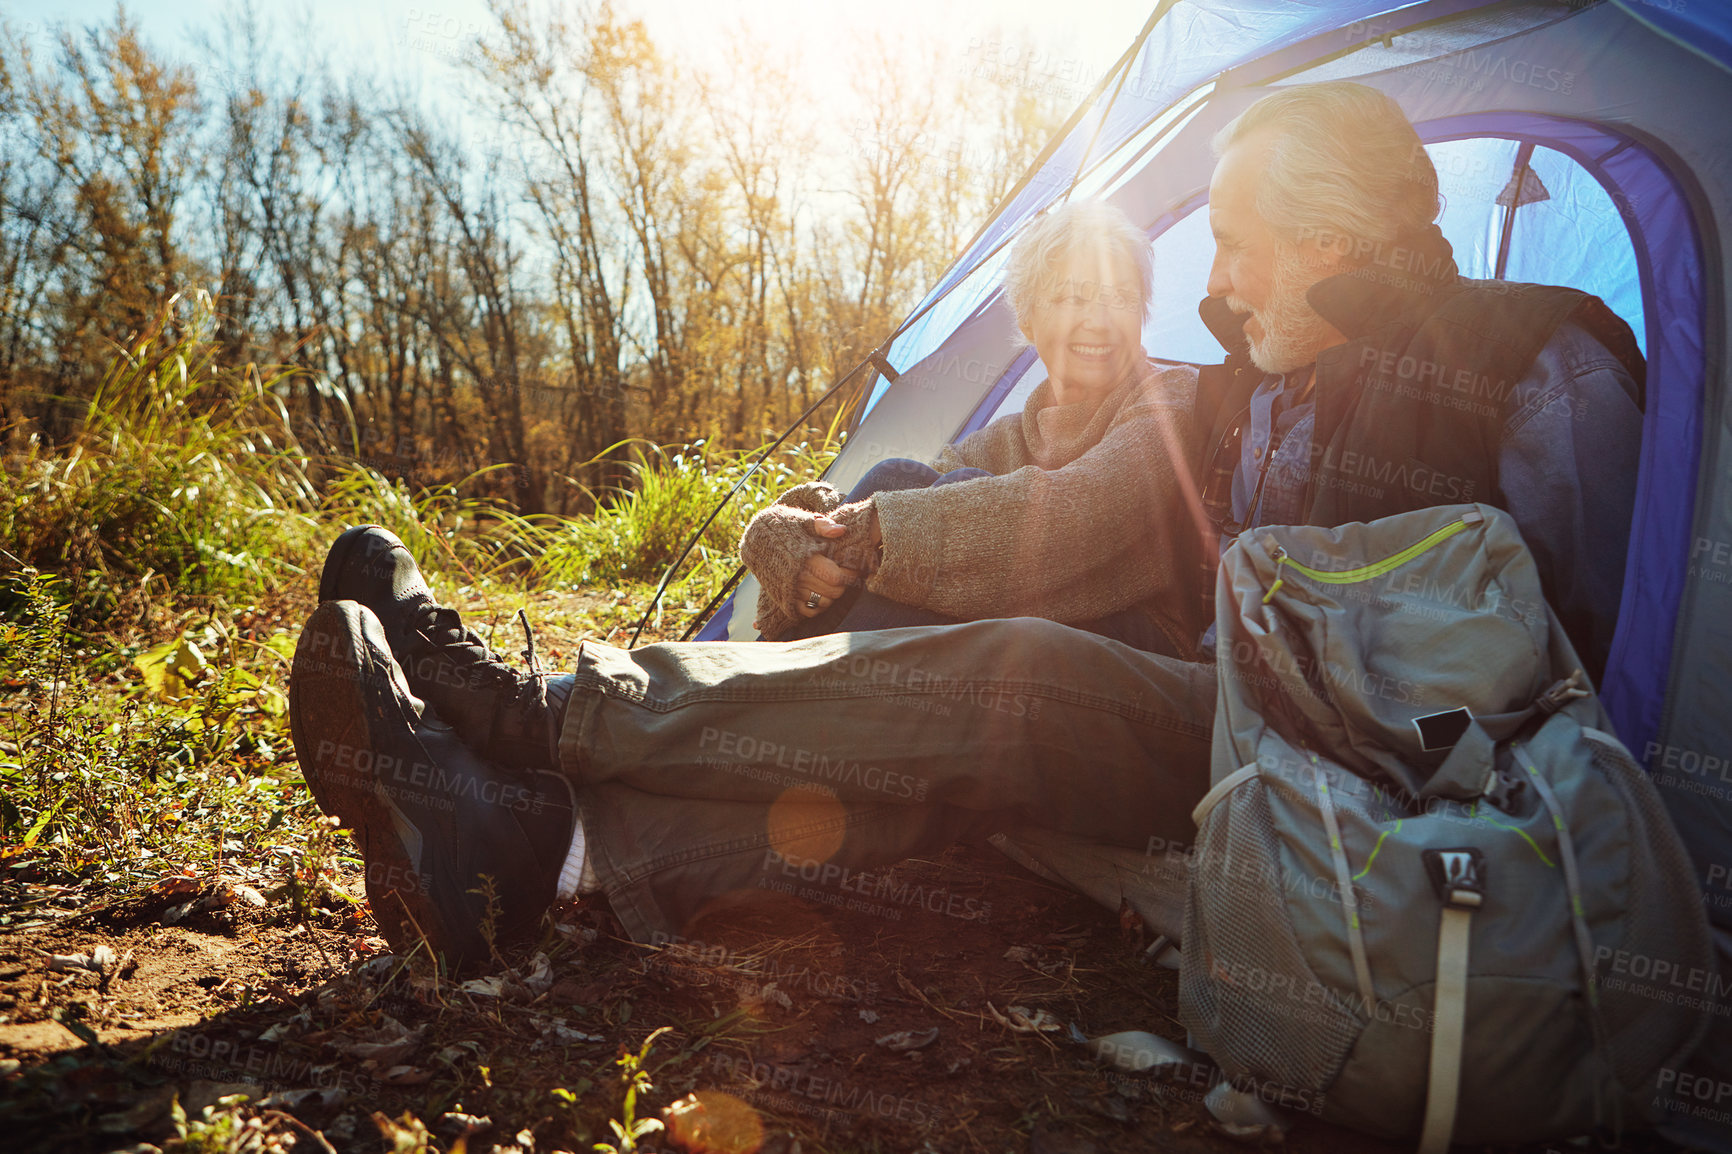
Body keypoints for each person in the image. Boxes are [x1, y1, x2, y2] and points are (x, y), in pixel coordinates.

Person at [288, 80, 1643, 969]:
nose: (1213, 282)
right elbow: (966, 492)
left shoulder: (1538, 366)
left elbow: (1569, 672)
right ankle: (525, 850)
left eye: (1236, 242)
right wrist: (819, 530)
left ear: (1337, 238)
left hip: (1349, 772)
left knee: (1019, 676)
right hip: (1214, 713)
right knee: (959, 701)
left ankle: (526, 711)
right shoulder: (1269, 383)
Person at [739, 200, 1203, 656]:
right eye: (1071, 297)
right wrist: (783, 539)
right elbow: (888, 499)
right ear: (1027, 318)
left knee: (923, 504)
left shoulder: (1171, 396)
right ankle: (783, 679)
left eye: (1120, 298)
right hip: (1029, 635)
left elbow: (1090, 512)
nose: (1099, 320)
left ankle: (768, 679)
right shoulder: (1003, 439)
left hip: (1134, 639)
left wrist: (873, 525)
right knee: (898, 479)